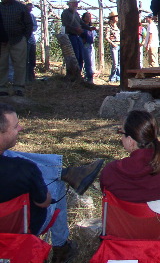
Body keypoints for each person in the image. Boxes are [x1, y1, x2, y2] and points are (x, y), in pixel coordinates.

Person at [0, 103, 104, 263]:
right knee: (57, 184)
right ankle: (61, 247)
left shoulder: (22, 168)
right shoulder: (25, 169)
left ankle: (63, 173)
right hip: (18, 229)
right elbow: (43, 203)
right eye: (15, 126)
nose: (20, 128)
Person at [0, 0, 33, 97]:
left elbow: (29, 24)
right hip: (2, 42)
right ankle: (2, 88)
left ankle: (19, 88)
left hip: (18, 39)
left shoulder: (20, 7)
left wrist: (25, 38)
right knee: (2, 64)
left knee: (19, 64)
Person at [60, 0, 84, 72]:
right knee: (74, 55)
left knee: (81, 56)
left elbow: (81, 23)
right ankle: (74, 73)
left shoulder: (76, 14)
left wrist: (89, 28)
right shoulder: (65, 13)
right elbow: (65, 24)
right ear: (70, 4)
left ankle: (79, 73)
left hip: (77, 36)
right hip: (70, 36)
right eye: (74, 3)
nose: (76, 5)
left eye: (76, 3)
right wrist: (75, 29)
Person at [80, 12, 97, 83]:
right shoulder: (81, 27)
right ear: (83, 18)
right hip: (85, 45)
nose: (88, 18)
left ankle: (89, 77)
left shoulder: (91, 28)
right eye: (87, 17)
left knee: (91, 62)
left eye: (90, 17)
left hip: (90, 45)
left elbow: (94, 36)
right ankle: (89, 78)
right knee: (87, 62)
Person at [24, 0, 38, 82]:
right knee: (26, 59)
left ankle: (31, 76)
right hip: (25, 39)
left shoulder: (32, 16)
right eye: (29, 6)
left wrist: (32, 29)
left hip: (32, 39)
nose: (31, 8)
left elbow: (35, 26)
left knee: (32, 59)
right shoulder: (22, 14)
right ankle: (25, 78)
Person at [105, 11, 120, 83]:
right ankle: (112, 77)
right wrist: (112, 43)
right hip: (114, 46)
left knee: (119, 63)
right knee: (115, 63)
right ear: (112, 18)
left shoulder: (118, 26)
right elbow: (107, 37)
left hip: (120, 45)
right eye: (116, 16)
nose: (117, 18)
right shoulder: (109, 27)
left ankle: (118, 77)